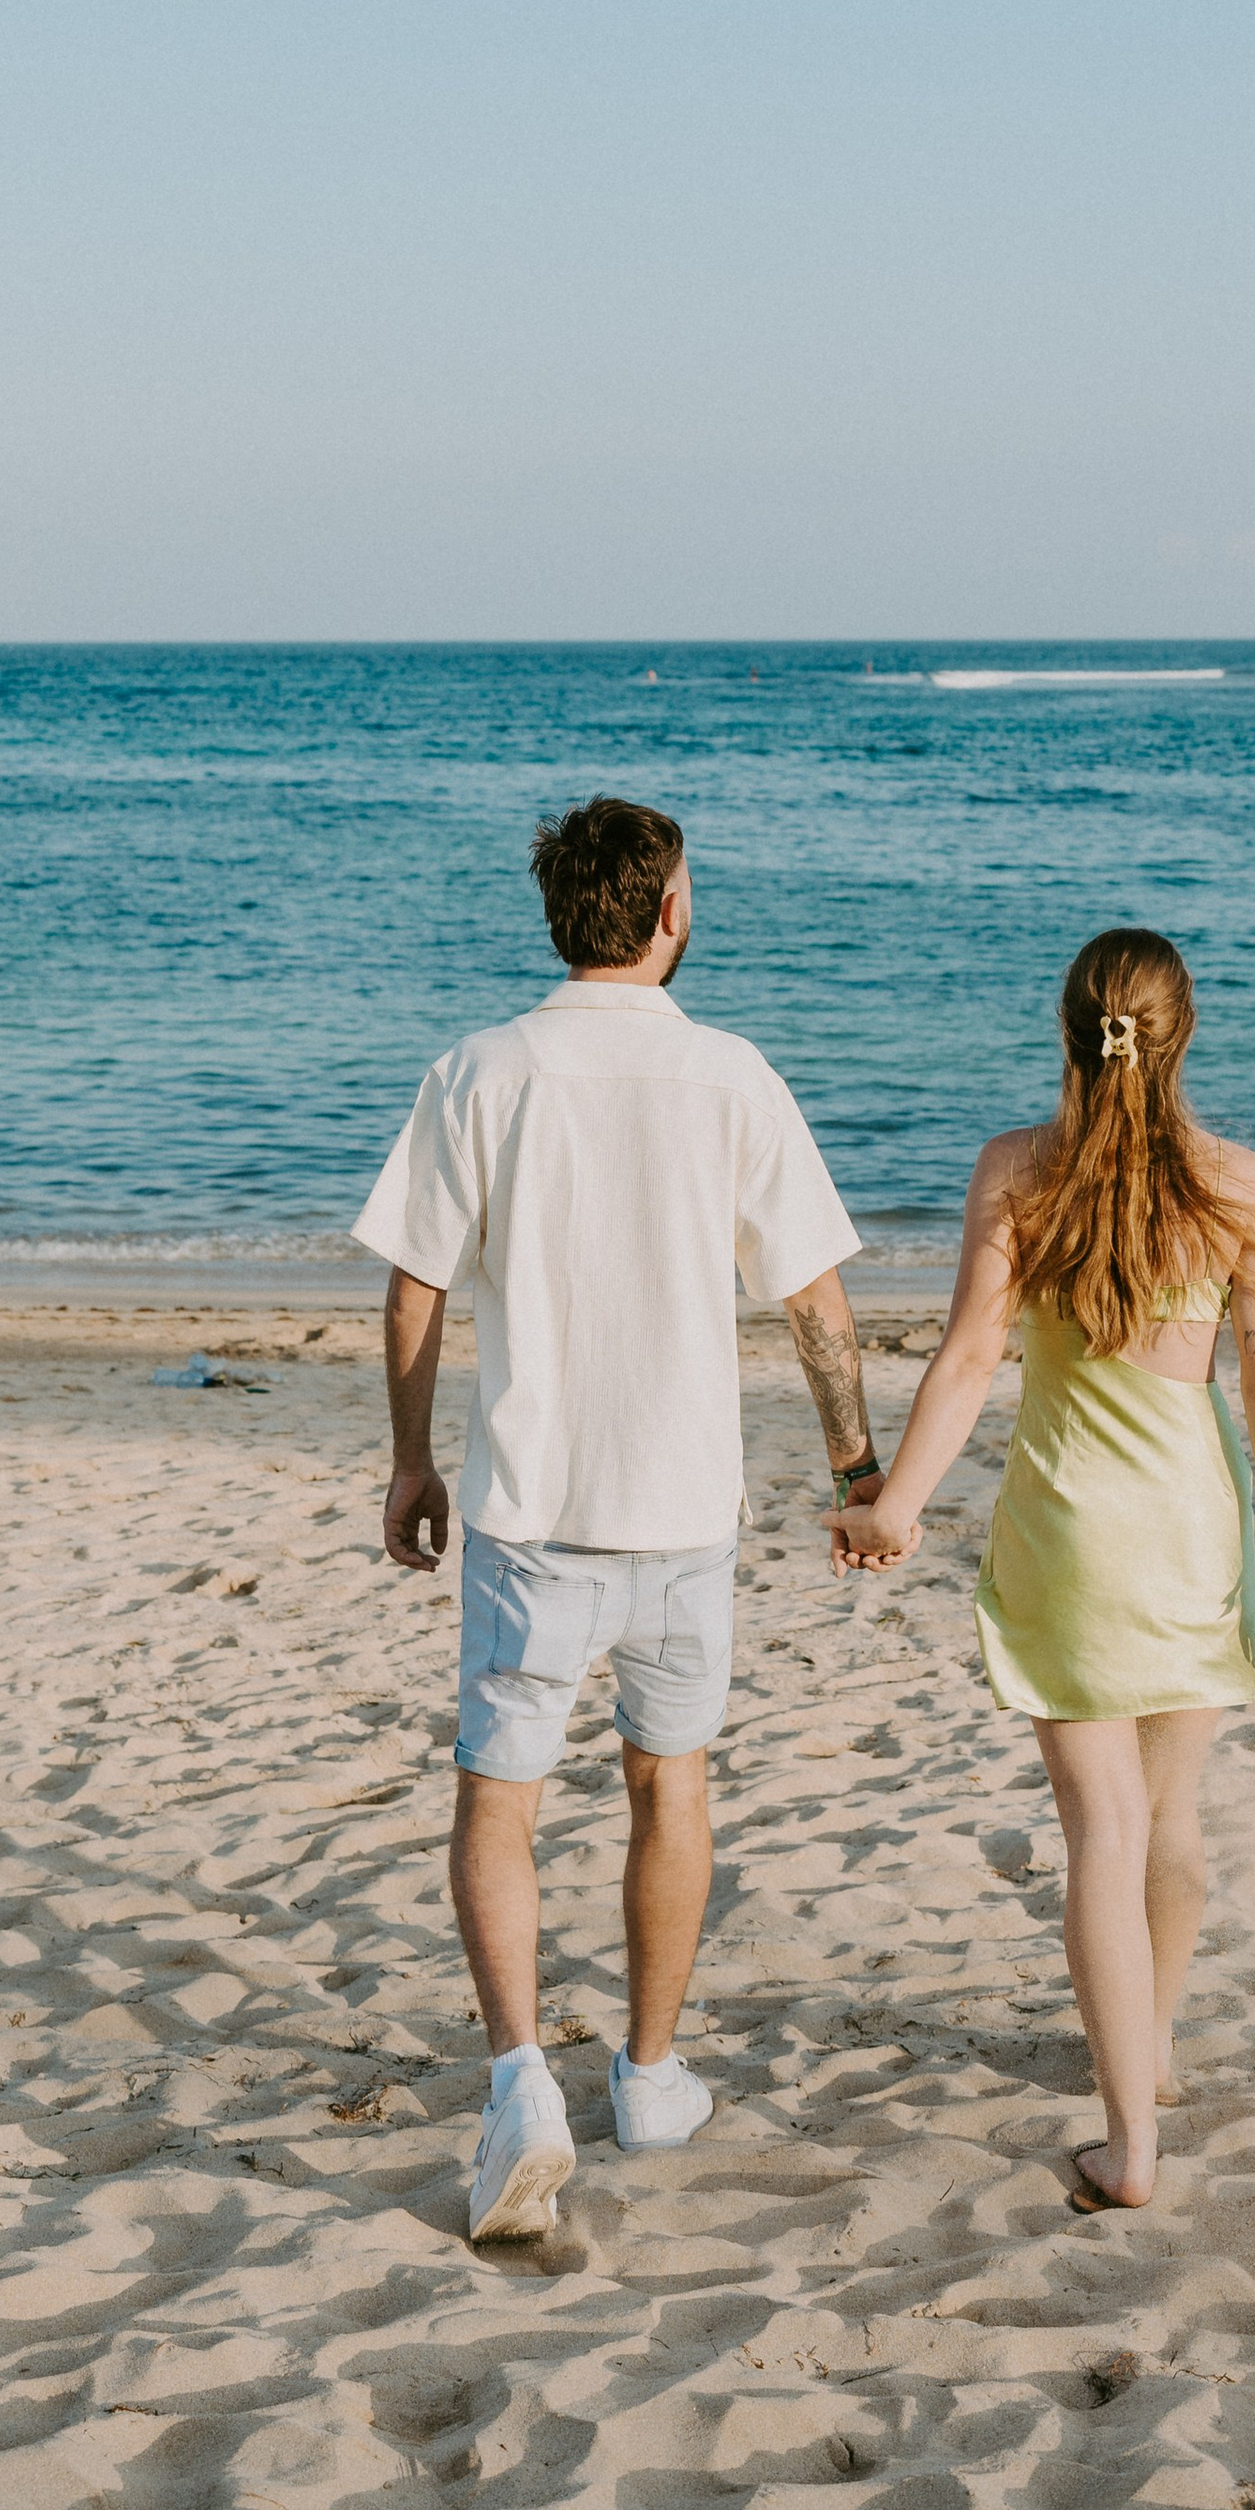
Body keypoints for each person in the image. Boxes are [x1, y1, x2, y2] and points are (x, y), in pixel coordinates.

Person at [358, 794, 887, 2244]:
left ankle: (522, 2077)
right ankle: (649, 2076)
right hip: (681, 1512)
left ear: (559, 917)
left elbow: (415, 1281)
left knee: (500, 1799)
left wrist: (411, 1461)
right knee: (673, 1786)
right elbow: (815, 1301)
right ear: (669, 915)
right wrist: (856, 1474)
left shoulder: (482, 1071)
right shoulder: (730, 1077)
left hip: (534, 1510)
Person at [829, 927, 1255, 2212]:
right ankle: (1148, 2059)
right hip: (1191, 1533)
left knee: (1101, 1831)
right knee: (1171, 1820)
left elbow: (966, 1361)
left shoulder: (1016, 1171)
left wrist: (895, 1505)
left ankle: (1131, 2144)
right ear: (1183, 1033)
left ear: (1068, 1029)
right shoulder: (1241, 1186)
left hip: (1068, 1534)